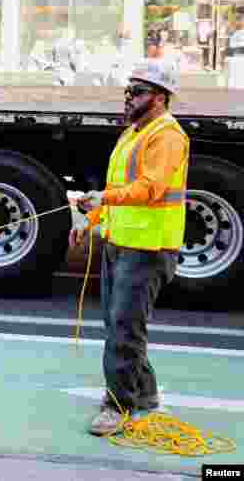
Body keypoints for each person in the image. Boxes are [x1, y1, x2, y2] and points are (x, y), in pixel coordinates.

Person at [70, 58, 189, 436]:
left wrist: (101, 198)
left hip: (148, 249)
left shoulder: (166, 136)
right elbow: (121, 187)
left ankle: (118, 405)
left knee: (124, 329)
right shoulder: (133, 133)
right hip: (121, 244)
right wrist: (92, 220)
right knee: (121, 326)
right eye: (128, 90)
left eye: (137, 91)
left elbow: (149, 189)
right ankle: (146, 394)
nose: (129, 97)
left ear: (160, 97)